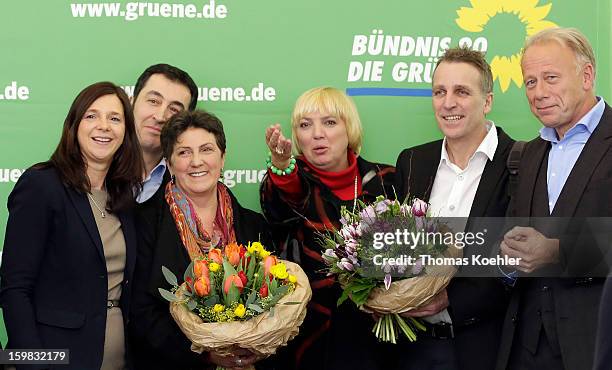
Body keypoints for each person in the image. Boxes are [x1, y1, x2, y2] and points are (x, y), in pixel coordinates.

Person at [0, 82, 143, 369]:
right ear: (74, 125)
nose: (104, 126)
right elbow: (14, 288)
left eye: (114, 118)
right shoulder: (42, 185)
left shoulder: (124, 195)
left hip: (116, 360)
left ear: (126, 131)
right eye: (92, 116)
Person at [391, 46, 514, 370]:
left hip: (484, 348)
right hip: (412, 347)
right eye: (439, 92)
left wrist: (451, 300)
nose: (448, 103)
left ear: (487, 101)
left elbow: (517, 263)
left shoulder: (519, 163)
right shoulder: (413, 161)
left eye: (462, 91)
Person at [497, 27, 611, 370]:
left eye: (550, 77)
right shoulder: (528, 154)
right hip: (526, 348)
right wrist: (505, 261)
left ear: (587, 75)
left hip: (596, 346)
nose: (539, 92)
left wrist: (556, 252)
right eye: (530, 82)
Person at [260, 87, 395, 370]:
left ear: (350, 128)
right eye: (305, 125)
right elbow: (281, 204)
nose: (317, 134)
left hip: (383, 335)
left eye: (329, 122)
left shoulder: (386, 179)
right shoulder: (296, 183)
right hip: (314, 340)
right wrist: (282, 166)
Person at [129, 110, 272, 370]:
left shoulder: (254, 226)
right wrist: (204, 354)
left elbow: (271, 301)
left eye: (206, 149)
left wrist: (253, 347)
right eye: (184, 152)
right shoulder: (143, 223)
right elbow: (140, 311)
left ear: (222, 157)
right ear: (170, 164)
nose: (196, 162)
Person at [133, 63, 198, 204]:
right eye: (153, 101)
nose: (160, 117)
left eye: (174, 110)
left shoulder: (190, 183)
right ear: (131, 103)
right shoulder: (97, 169)